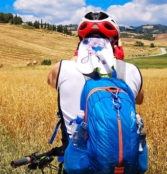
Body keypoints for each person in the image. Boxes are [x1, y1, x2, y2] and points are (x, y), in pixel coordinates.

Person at [47, 11, 145, 173]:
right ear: (116, 42)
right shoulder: (132, 71)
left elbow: (50, 81)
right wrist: (119, 63)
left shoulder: (62, 68)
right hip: (122, 165)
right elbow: (139, 99)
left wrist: (77, 57)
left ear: (80, 41)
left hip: (80, 164)